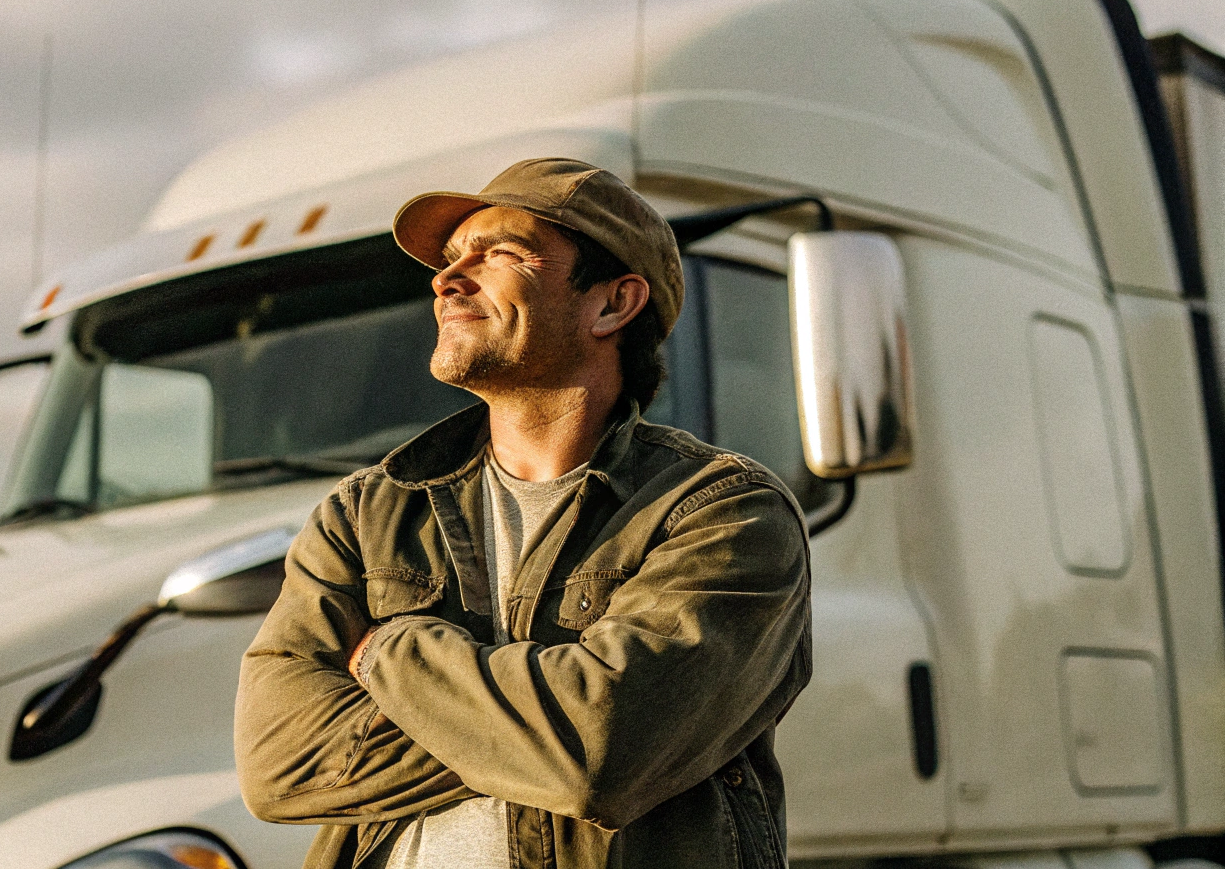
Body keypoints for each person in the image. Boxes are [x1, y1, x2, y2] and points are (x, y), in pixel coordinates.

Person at [234, 157, 812, 869]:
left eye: (500, 253)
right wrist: (531, 720)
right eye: (450, 260)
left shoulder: (721, 513)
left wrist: (389, 651)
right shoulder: (366, 514)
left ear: (611, 303)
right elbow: (277, 767)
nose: (447, 280)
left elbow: (599, 754)